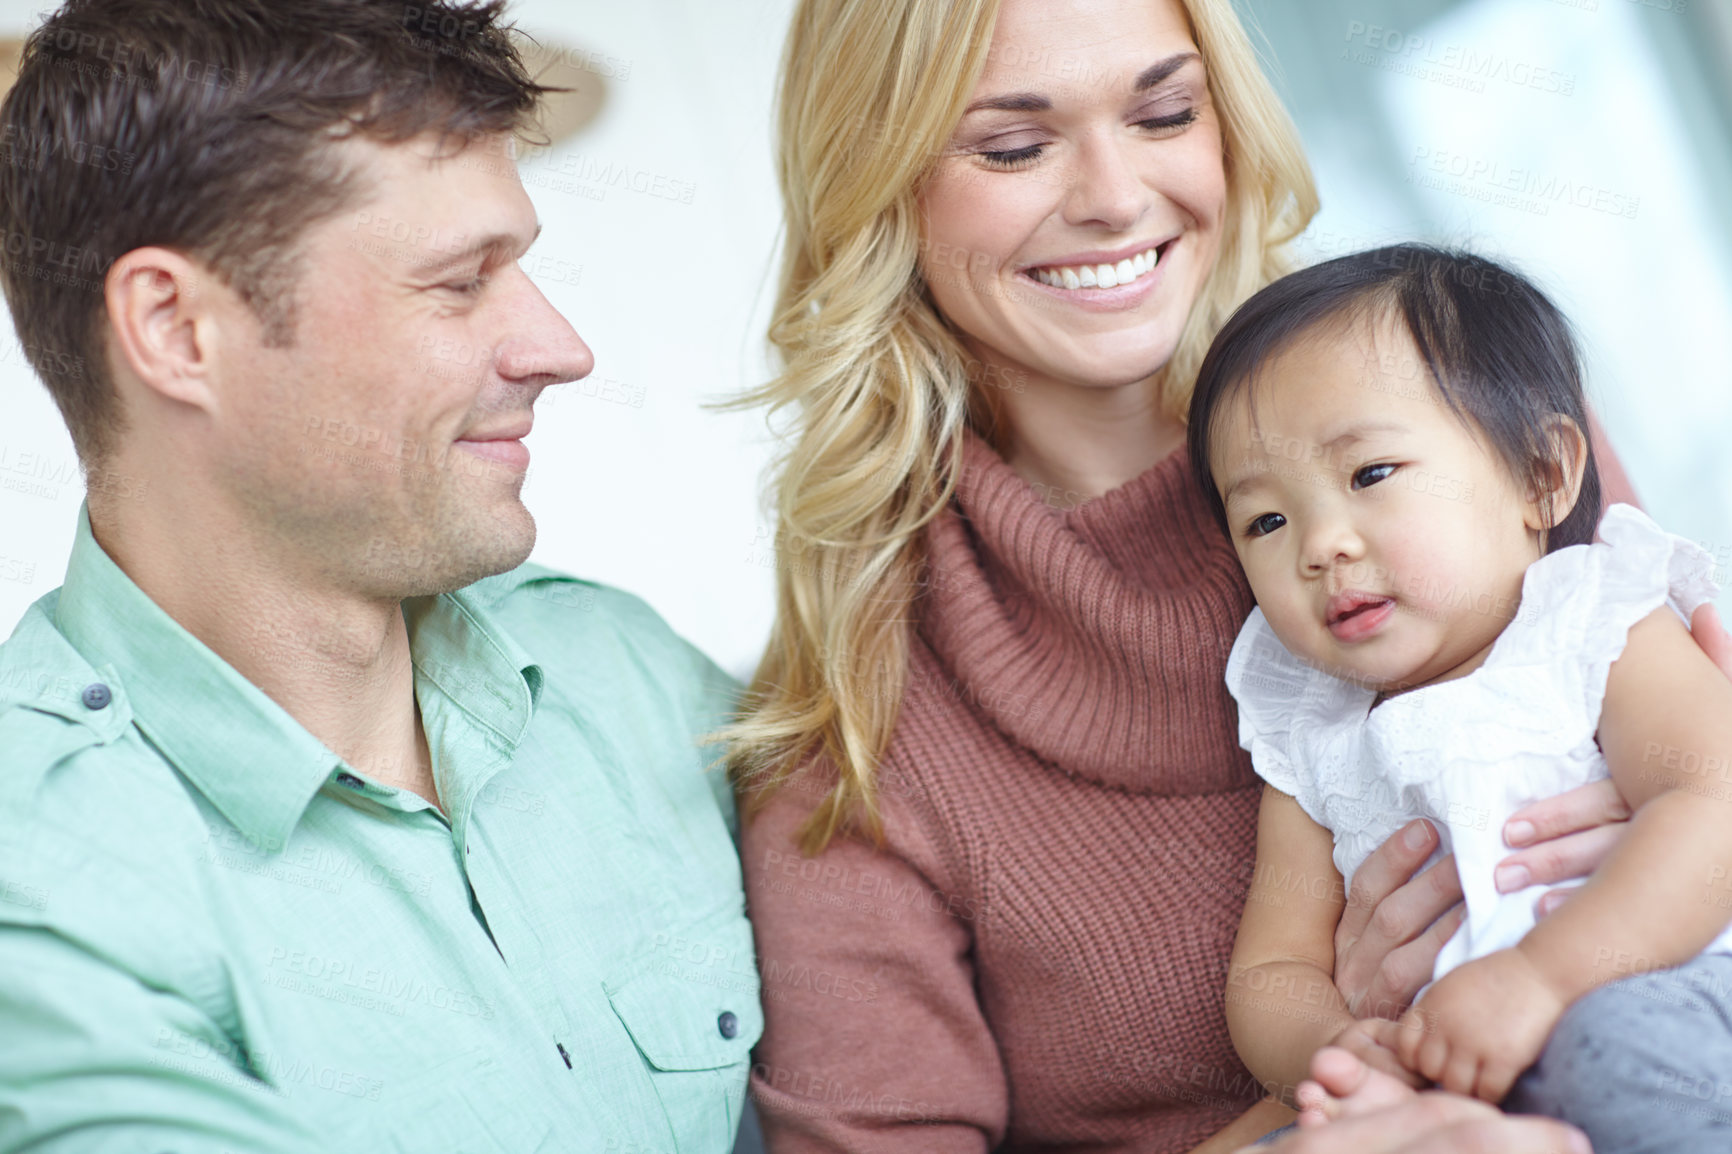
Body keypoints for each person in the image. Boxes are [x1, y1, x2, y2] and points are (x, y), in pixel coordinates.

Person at [727, 0, 1732, 1150]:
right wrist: (1319, 1107)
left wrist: (1613, 917)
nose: (1112, 194)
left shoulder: (1475, 439)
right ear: (876, 184)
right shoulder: (849, 738)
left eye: (1163, 111)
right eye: (1013, 145)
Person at [0, 1, 756, 1149]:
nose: (561, 347)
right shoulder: (39, 887)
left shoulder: (632, 681)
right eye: (459, 283)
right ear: (177, 330)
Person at [1192, 245, 1732, 1152]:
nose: (1320, 545)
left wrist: (1541, 982)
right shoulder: (1313, 729)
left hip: (1658, 988)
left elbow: (1714, 807)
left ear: (1540, 475)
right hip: (1447, 1078)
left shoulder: (1591, 620)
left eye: (1369, 475)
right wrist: (1330, 1051)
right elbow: (1274, 964)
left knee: (1621, 1052)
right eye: (1266, 520)